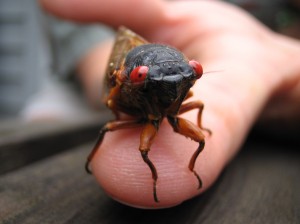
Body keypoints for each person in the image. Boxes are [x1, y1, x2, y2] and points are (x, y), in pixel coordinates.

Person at [40, 0, 300, 208]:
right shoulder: (127, 78)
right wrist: (106, 77)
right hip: (131, 103)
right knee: (115, 133)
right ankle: (141, 172)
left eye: (194, 73)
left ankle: (188, 167)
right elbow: (108, 89)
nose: (173, 87)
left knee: (199, 131)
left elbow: (195, 104)